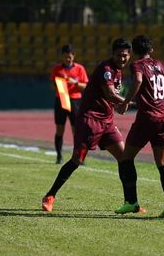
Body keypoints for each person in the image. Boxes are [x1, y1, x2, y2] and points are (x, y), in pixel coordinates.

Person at [41, 38, 144, 214]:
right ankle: (49, 196)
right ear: (112, 54)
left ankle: (131, 202)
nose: (122, 58)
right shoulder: (106, 69)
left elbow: (112, 98)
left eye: (125, 56)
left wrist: (119, 105)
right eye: (119, 55)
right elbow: (110, 94)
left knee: (125, 158)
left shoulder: (119, 71)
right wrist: (131, 103)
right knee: (77, 160)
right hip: (89, 120)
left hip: (107, 122)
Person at [115, 35, 164, 218]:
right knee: (162, 163)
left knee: (126, 158)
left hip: (147, 118)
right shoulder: (162, 64)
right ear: (151, 50)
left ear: (135, 52)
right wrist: (158, 94)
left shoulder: (137, 65)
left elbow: (137, 81)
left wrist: (126, 102)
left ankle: (131, 202)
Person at [50, 44, 89, 164]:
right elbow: (53, 85)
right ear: (62, 56)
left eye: (70, 57)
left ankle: (78, 157)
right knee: (60, 129)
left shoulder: (80, 69)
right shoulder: (57, 69)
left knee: (77, 130)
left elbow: (86, 87)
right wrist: (59, 85)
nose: (68, 59)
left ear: (74, 56)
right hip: (61, 99)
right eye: (66, 57)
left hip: (75, 101)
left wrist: (75, 83)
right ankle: (59, 156)